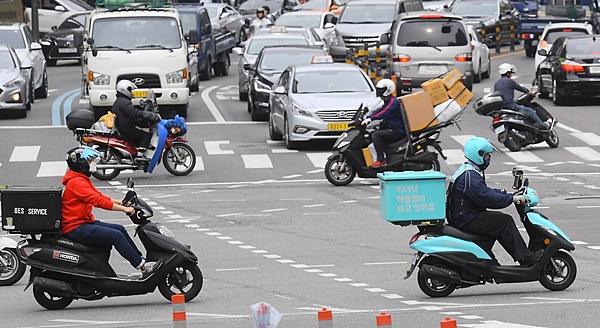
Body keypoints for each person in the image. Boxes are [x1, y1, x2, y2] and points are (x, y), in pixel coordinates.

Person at [61, 146, 162, 275]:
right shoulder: (76, 183)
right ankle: (143, 267)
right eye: (89, 161)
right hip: (75, 227)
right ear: (81, 165)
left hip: (83, 222)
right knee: (116, 236)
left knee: (120, 229)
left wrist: (121, 202)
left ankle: (140, 260)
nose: (93, 164)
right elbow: (98, 201)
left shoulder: (80, 179)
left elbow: (100, 196)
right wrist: (124, 209)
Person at [448, 137, 543, 267]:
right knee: (505, 222)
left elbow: (484, 191)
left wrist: (504, 193)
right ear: (479, 155)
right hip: (465, 218)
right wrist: (511, 198)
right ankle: (525, 257)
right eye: (487, 155)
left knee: (497, 221)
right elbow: (487, 197)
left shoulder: (470, 171)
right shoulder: (470, 176)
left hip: (465, 215)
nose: (489, 158)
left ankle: (488, 260)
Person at [360, 79, 406, 168]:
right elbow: (379, 110)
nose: (379, 92)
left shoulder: (393, 101)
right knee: (371, 134)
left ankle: (381, 160)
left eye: (381, 90)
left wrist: (371, 119)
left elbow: (385, 112)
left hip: (397, 130)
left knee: (376, 135)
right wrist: (367, 117)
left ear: (388, 89)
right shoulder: (386, 101)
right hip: (391, 128)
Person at [112, 80, 161, 158]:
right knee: (145, 136)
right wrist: (148, 115)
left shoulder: (121, 101)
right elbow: (134, 113)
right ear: (125, 89)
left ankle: (137, 152)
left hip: (124, 127)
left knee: (141, 135)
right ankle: (140, 157)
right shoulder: (123, 102)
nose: (131, 92)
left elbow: (130, 116)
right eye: (130, 90)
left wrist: (142, 122)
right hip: (126, 129)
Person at [494, 63, 549, 130]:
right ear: (507, 73)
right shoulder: (509, 81)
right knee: (530, 111)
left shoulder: (496, 84)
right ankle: (543, 125)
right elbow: (521, 88)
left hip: (501, 107)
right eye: (511, 73)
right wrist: (531, 92)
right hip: (510, 106)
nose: (511, 75)